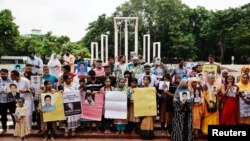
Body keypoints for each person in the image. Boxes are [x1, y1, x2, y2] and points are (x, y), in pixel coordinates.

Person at [0, 69, 14, 134]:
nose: (3, 75)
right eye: (2, 74)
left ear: (7, 74)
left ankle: (16, 128)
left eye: (4, 74)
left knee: (13, 114)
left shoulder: (11, 80)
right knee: (3, 116)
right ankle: (4, 128)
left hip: (10, 100)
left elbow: (14, 89)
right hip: (2, 101)